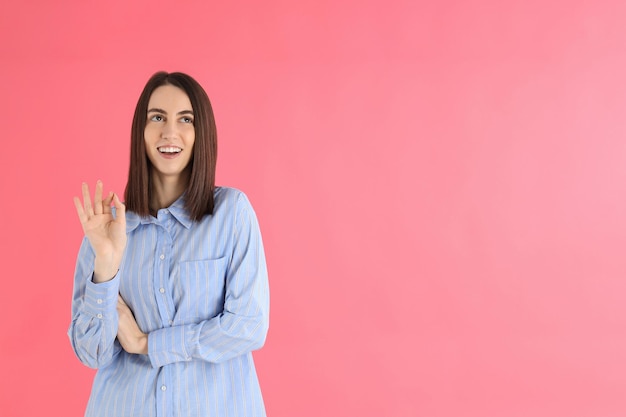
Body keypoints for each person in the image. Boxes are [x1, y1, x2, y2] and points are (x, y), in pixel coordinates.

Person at [68, 71, 270, 417]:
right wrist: (106, 263)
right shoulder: (110, 229)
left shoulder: (231, 215)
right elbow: (91, 352)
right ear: (141, 132)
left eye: (185, 119)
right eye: (157, 117)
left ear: (201, 132)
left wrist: (147, 344)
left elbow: (248, 326)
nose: (169, 132)